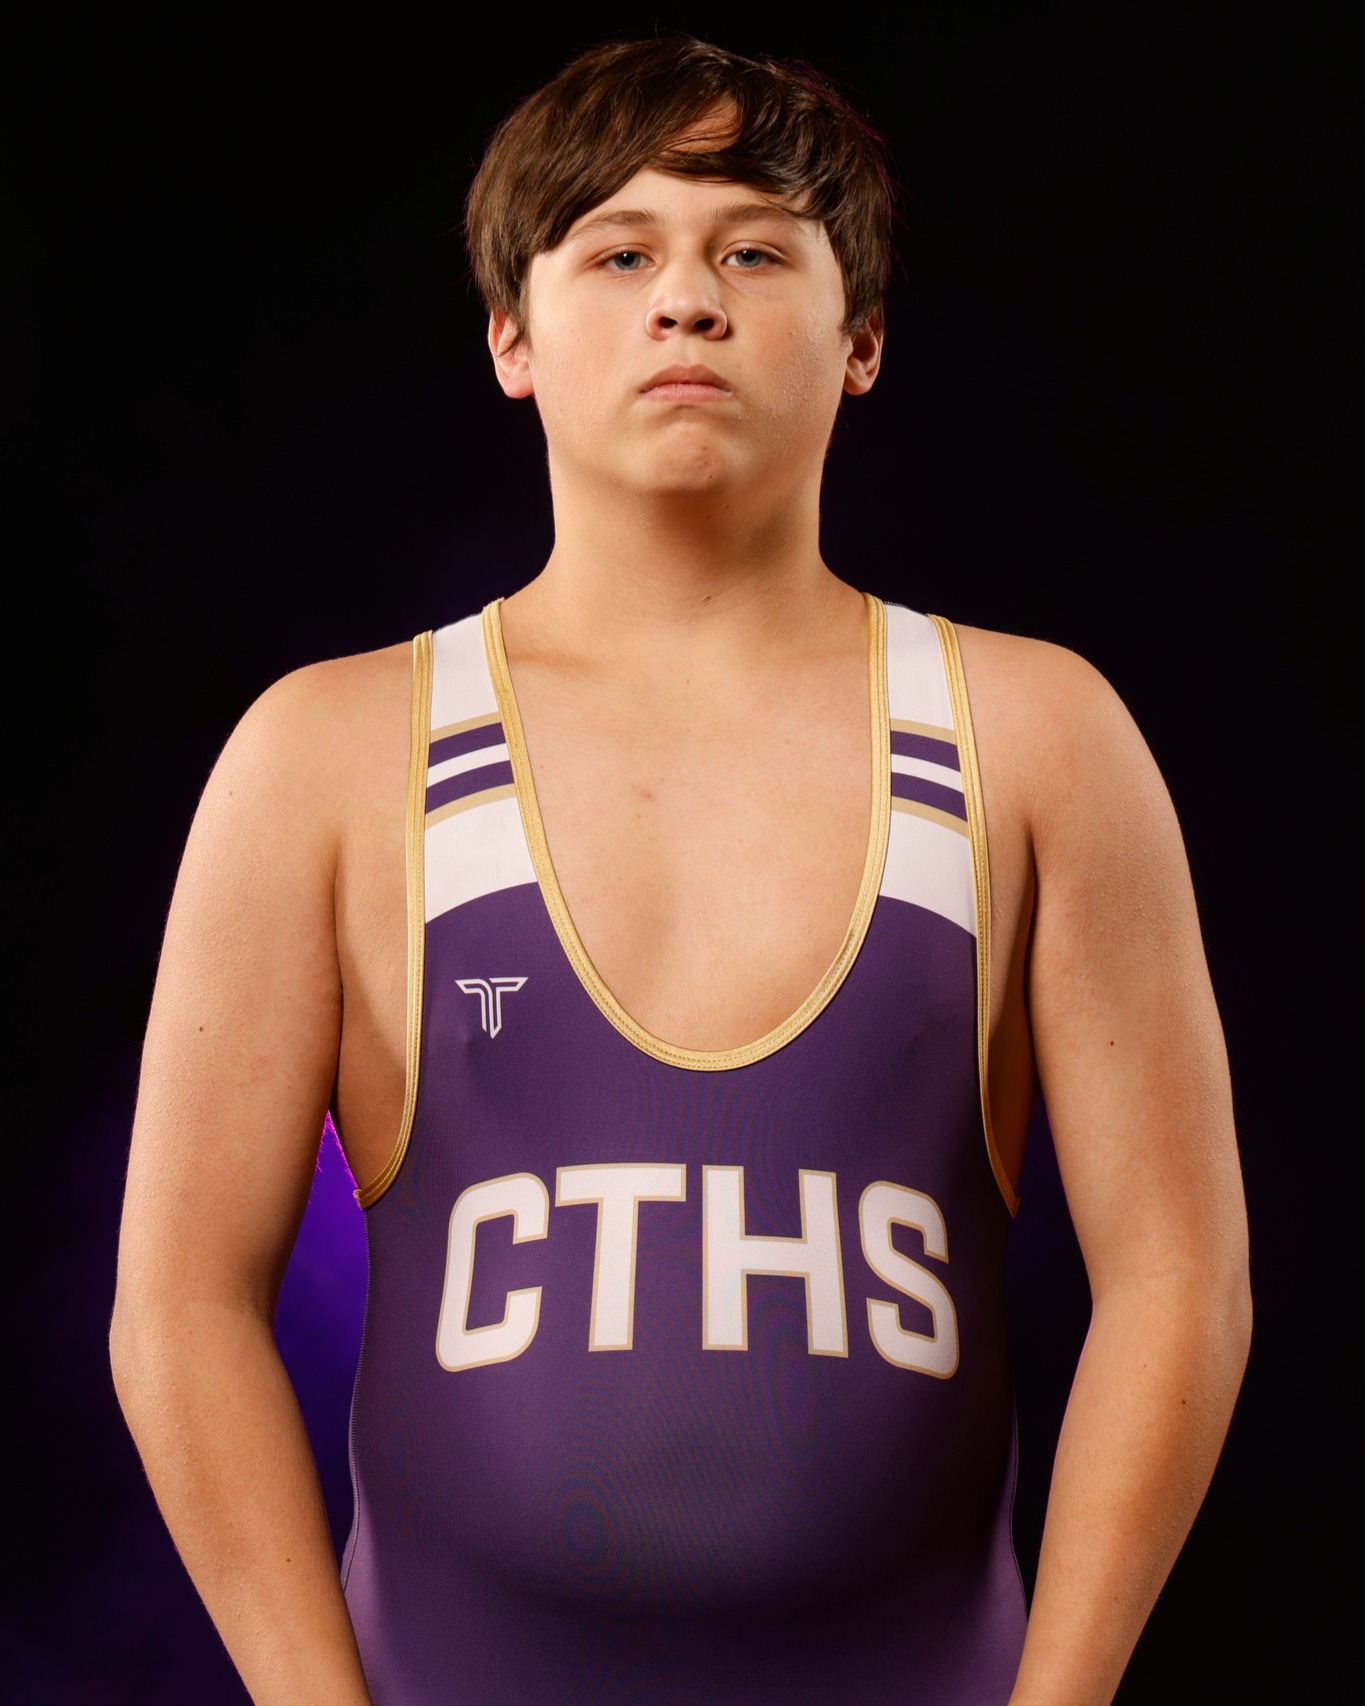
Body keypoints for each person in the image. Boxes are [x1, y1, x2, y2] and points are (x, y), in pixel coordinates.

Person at [110, 35, 1251, 1706]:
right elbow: (180, 1299)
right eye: (619, 251)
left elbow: (1176, 1276)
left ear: (861, 336)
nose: (687, 303)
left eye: (755, 251)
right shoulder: (328, 757)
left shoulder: (1034, 737)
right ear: (510, 333)